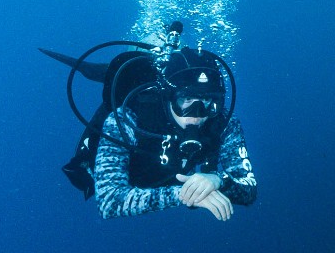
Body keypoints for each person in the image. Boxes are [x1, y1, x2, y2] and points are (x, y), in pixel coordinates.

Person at [42, 33, 256, 221]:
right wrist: (186, 194)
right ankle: (138, 56)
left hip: (168, 173)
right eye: (186, 100)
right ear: (167, 97)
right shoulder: (128, 118)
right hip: (133, 172)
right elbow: (109, 202)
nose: (198, 114)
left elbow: (249, 188)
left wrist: (218, 179)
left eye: (209, 101)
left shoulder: (224, 122)